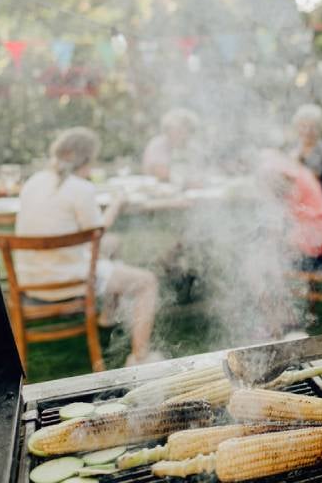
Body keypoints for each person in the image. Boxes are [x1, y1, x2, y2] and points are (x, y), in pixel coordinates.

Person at [16, 127, 161, 367]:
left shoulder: (33, 182)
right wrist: (116, 204)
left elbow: (93, 238)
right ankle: (140, 357)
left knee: (114, 244)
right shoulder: (79, 188)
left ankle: (107, 318)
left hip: (30, 280)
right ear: (86, 159)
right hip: (69, 280)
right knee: (148, 281)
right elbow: (97, 232)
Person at [290, 104, 322, 209]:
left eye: (312, 127)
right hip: (299, 196)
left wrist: (299, 162)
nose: (308, 131)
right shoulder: (293, 147)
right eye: (304, 126)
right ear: (297, 127)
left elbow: (315, 177)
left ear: (320, 128)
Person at [142, 107, 200, 184]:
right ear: (167, 129)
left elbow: (200, 171)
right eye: (178, 130)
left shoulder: (193, 148)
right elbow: (159, 172)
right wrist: (187, 182)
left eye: (187, 129)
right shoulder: (157, 144)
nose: (182, 134)